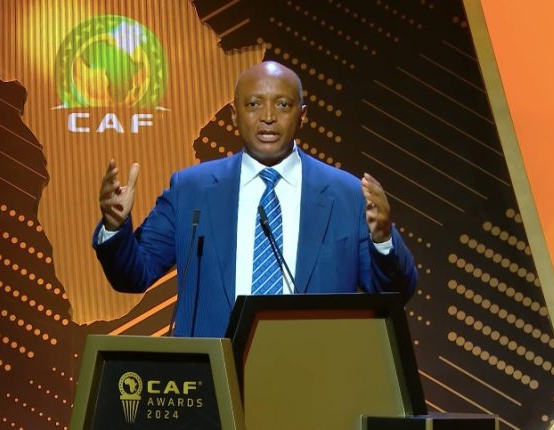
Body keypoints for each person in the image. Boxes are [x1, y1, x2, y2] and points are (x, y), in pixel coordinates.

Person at [93, 61, 417, 337]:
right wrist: (114, 228)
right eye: (253, 104)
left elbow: (392, 295)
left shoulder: (346, 194)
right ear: (235, 115)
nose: (268, 117)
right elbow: (133, 276)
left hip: (314, 374)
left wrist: (382, 241)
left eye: (282, 105)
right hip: (214, 375)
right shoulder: (190, 190)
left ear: (303, 115)